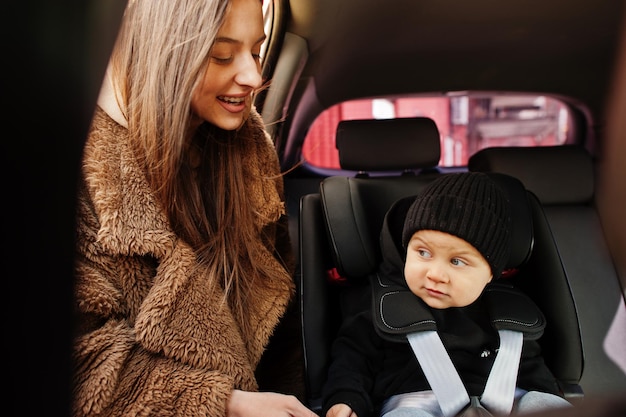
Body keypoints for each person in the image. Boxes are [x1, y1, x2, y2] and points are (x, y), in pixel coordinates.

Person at [71, 0, 316, 416]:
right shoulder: (84, 173)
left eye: (256, 51)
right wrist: (222, 404)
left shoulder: (251, 152)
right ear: (161, 51)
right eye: (222, 55)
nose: (254, 76)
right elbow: (82, 363)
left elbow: (280, 324)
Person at [322, 172, 572, 417]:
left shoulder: (509, 312)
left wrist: (545, 396)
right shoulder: (382, 306)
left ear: (490, 274)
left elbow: (532, 368)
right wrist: (346, 397)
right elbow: (353, 357)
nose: (436, 274)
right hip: (414, 401)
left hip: (506, 400)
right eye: (423, 253)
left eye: (457, 261)